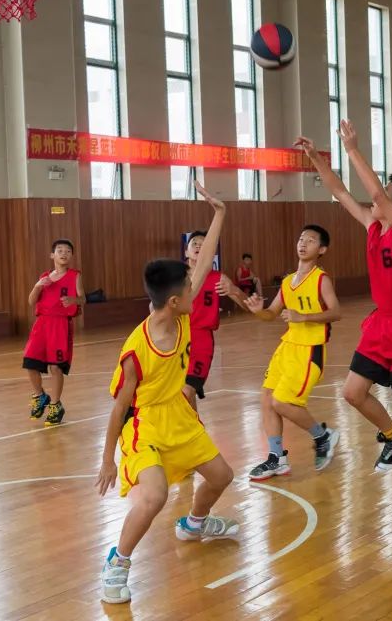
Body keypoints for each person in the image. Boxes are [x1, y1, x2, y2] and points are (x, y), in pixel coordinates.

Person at [97, 182, 239, 605]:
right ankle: (117, 562)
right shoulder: (135, 351)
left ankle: (194, 524)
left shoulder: (179, 314)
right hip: (144, 424)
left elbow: (202, 261)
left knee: (221, 476)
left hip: (179, 413)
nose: (197, 294)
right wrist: (107, 458)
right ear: (175, 301)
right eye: (190, 293)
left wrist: (220, 214)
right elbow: (120, 407)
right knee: (155, 496)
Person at [297, 120, 392, 527]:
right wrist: (317, 159)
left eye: (387, 194)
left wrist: (354, 148)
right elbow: (340, 191)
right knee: (353, 393)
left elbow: (373, 191)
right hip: (381, 326)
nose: (376, 196)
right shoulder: (373, 226)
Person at [230, 225, 343, 480]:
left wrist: (303, 316)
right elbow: (270, 315)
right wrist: (257, 309)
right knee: (267, 399)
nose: (303, 243)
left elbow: (336, 312)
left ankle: (322, 435)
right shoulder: (287, 281)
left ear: (321, 249)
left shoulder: (320, 279)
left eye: (311, 241)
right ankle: (276, 458)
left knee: (282, 402)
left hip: (309, 349)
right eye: (301, 238)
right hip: (287, 347)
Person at [23, 239, 84, 426]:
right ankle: (40, 395)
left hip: (60, 325)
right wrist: (37, 285)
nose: (63, 253)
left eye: (67, 251)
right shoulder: (44, 277)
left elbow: (83, 299)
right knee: (30, 363)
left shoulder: (75, 275)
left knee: (56, 367)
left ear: (71, 256)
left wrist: (74, 300)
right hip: (41, 325)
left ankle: (56, 405)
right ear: (52, 255)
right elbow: (31, 301)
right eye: (59, 250)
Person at [181, 229, 231, 409]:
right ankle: (194, 431)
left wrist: (235, 292)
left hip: (202, 339)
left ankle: (192, 432)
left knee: (187, 391)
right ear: (186, 251)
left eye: (203, 245)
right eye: (194, 243)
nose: (198, 246)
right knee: (179, 392)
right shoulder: (175, 277)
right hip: (177, 338)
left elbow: (243, 300)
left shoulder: (219, 278)